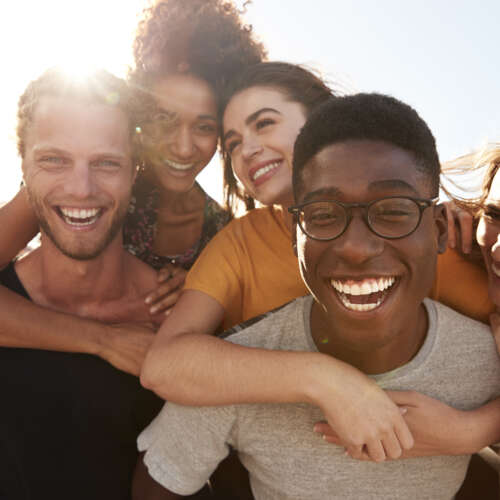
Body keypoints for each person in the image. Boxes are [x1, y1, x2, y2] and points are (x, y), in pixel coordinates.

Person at [137, 93, 500, 499]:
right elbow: (158, 479)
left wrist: (476, 429)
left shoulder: (485, 358)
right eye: (324, 215)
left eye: (394, 210)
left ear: (440, 231)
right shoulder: (229, 377)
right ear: (295, 238)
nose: (356, 248)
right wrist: (322, 381)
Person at [0, 0, 265, 374]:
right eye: (164, 119)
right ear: (138, 121)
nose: (184, 147)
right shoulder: (87, 187)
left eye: (204, 127)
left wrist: (200, 294)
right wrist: (103, 340)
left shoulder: (220, 232)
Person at [0, 67, 165, 499]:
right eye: (53, 160)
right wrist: (105, 341)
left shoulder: (175, 317)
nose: (81, 188)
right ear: (23, 166)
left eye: (106, 163)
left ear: (134, 171)